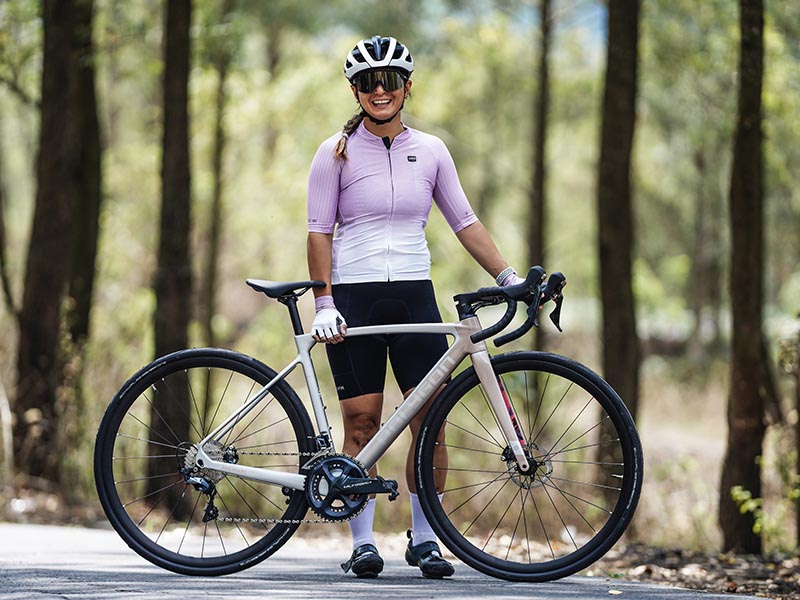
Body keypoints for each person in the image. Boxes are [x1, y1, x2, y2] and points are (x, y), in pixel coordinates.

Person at [306, 35, 524, 579]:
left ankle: (426, 539)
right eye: (368, 83)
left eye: (389, 81)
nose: (379, 91)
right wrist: (325, 301)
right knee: (362, 424)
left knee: (430, 423)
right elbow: (317, 232)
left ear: (407, 86)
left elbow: (465, 222)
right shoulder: (332, 152)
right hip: (354, 298)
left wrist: (508, 276)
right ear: (355, 91)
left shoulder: (430, 150)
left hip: (414, 298)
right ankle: (361, 542)